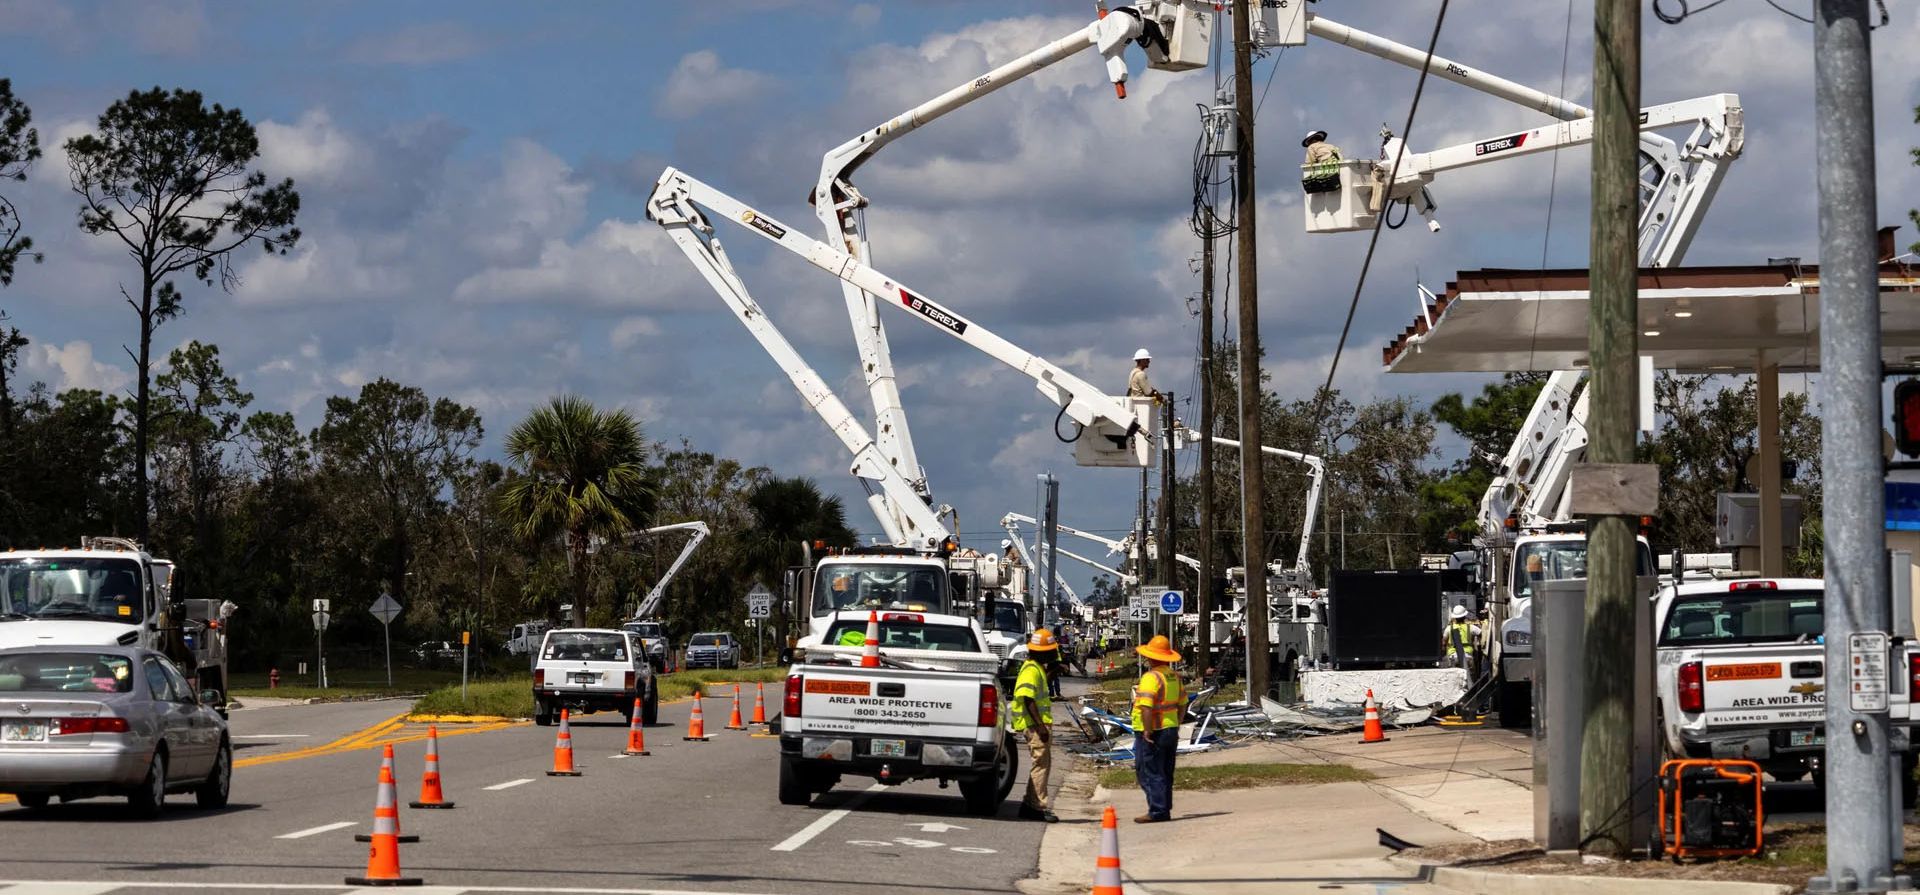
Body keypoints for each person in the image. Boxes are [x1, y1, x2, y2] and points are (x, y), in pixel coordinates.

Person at [1130, 634, 1184, 824]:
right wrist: (1177, 722)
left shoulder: (1151, 677)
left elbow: (1146, 706)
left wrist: (1147, 730)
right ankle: (1163, 808)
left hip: (1154, 730)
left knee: (1149, 771)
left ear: (1152, 657)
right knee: (1166, 771)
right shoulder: (1174, 677)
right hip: (1170, 729)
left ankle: (1158, 810)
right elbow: (1183, 703)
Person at [1010, 629, 1061, 822]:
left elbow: (1039, 689)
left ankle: (1030, 804)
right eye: (1050, 651)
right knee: (1040, 765)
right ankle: (1036, 806)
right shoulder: (1031, 669)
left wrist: (1054, 671)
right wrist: (1040, 726)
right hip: (1034, 726)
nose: (1053, 654)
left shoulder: (1037, 668)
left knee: (1041, 764)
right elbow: (1027, 698)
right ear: (1041, 652)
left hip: (1037, 724)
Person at [1443, 604, 1480, 673]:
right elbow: (1481, 633)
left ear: (1454, 617)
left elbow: (1444, 643)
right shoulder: (1471, 627)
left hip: (1453, 657)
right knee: (1470, 679)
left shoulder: (1449, 628)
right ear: (1464, 616)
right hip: (1468, 656)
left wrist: (1444, 655)